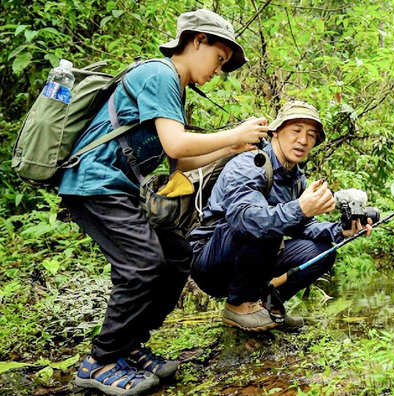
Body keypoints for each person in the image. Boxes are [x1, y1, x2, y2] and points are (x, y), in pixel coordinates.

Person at [58, 9, 268, 396]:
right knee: (143, 264)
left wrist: (232, 145)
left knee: (175, 256)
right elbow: (176, 143)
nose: (219, 70)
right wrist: (233, 132)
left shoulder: (174, 86)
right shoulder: (159, 74)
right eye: (219, 58)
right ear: (196, 41)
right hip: (93, 183)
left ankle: (129, 345)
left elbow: (180, 159)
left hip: (118, 187)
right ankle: (100, 360)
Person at [189, 100, 373, 332]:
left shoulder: (296, 178)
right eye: (296, 131)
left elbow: (301, 227)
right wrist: (300, 208)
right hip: (212, 259)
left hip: (252, 254)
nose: (303, 140)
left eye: (311, 135)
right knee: (265, 225)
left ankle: (267, 307)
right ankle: (237, 307)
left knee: (323, 251)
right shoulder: (249, 163)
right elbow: (245, 220)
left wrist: (341, 230)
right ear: (275, 132)